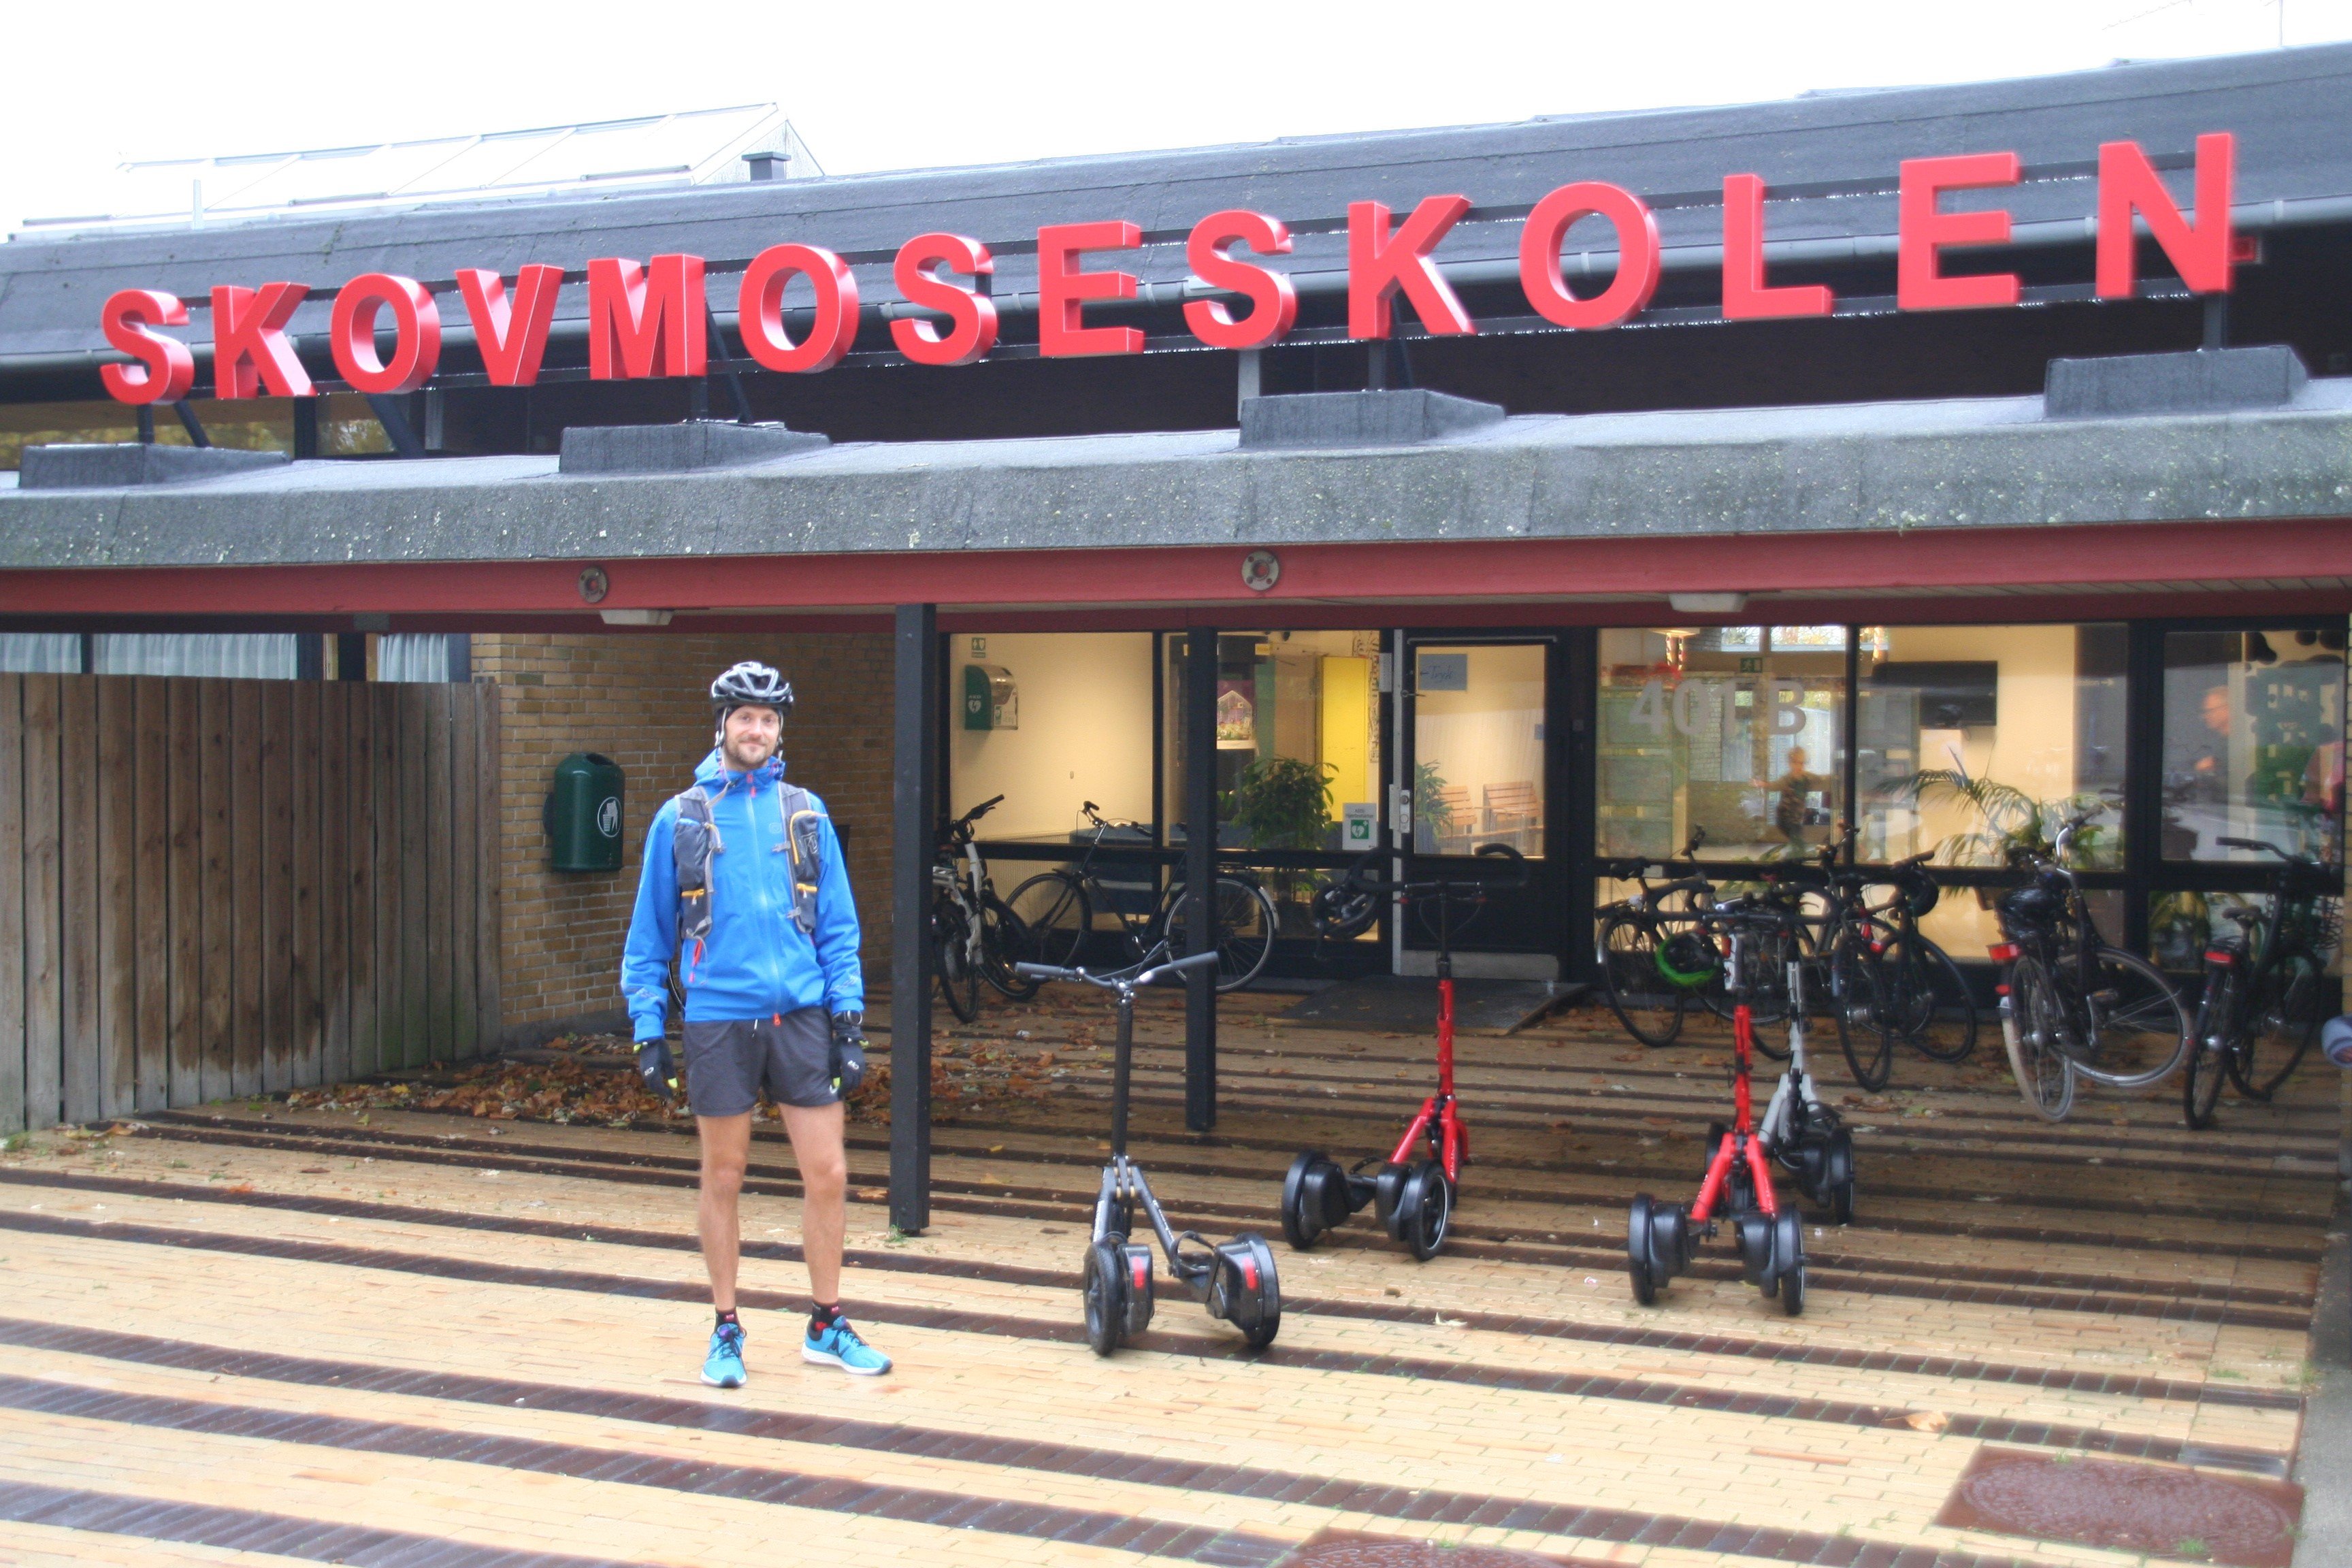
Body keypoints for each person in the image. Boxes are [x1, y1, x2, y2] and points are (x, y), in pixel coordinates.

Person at [620, 661, 890, 1387]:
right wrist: (648, 1029)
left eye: (768, 720)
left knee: (829, 1173)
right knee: (724, 1175)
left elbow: (838, 927)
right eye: (745, 718)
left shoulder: (805, 812)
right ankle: (726, 1327)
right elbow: (648, 938)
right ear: (722, 726)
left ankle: (826, 1324)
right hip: (718, 1019)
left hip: (800, 1014)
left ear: (779, 731)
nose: (757, 730)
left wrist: (849, 1021)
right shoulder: (681, 818)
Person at [1767, 745, 1831, 849]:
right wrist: (1764, 785)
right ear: (1790, 764)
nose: (1799, 767)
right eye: (1795, 763)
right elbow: (1775, 786)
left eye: (1802, 763)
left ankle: (1795, 854)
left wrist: (1834, 777)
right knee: (1798, 844)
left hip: (1797, 819)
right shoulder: (1787, 779)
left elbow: (1820, 779)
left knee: (1798, 843)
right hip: (1785, 818)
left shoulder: (1807, 777)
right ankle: (1796, 854)